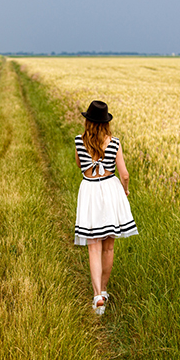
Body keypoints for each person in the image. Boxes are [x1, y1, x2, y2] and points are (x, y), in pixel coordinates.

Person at [74, 100, 138, 315]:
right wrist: (125, 190)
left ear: (88, 121)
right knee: (108, 247)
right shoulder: (115, 143)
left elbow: (80, 166)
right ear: (106, 122)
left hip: (90, 191)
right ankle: (104, 289)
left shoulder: (78, 142)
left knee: (93, 247)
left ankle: (97, 296)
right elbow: (125, 174)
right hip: (110, 191)